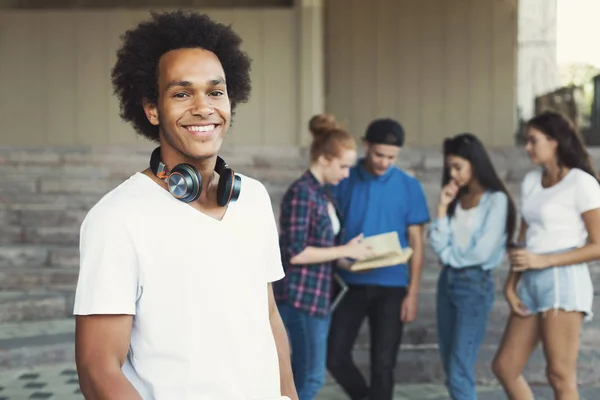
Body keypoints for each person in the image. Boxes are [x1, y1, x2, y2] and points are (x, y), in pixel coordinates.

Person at [73, 11, 297, 400]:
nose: (203, 107)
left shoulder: (254, 199)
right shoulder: (117, 218)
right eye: (181, 93)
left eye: (215, 92)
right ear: (152, 108)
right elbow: (98, 369)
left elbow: (269, 317)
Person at [492, 111, 600, 399]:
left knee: (560, 375)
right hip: (530, 280)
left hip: (563, 280)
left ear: (555, 141)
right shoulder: (531, 182)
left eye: (533, 140)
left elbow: (598, 245)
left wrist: (545, 260)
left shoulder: (581, 183)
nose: (527, 147)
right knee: (505, 366)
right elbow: (525, 238)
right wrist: (511, 284)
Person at [326, 118, 430, 400]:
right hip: (350, 281)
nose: (384, 162)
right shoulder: (345, 177)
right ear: (366, 146)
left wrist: (413, 293)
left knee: (384, 365)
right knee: (334, 355)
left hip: (392, 285)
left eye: (391, 157)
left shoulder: (409, 185)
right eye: (378, 155)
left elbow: (417, 243)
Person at [274, 113, 373, 400]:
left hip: (315, 297)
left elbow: (316, 248)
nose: (346, 174)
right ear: (324, 159)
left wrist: (349, 259)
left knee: (304, 375)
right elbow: (295, 252)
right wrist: (345, 250)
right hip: (301, 298)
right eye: (343, 166)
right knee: (310, 378)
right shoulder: (302, 192)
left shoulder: (321, 193)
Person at [428, 133, 517, 400]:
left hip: (474, 285)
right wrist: (443, 206)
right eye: (449, 167)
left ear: (475, 164)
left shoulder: (496, 200)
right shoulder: (455, 197)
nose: (452, 174)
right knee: (450, 365)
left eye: (458, 167)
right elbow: (436, 240)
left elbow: (482, 251)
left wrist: (448, 254)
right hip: (447, 283)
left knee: (459, 370)